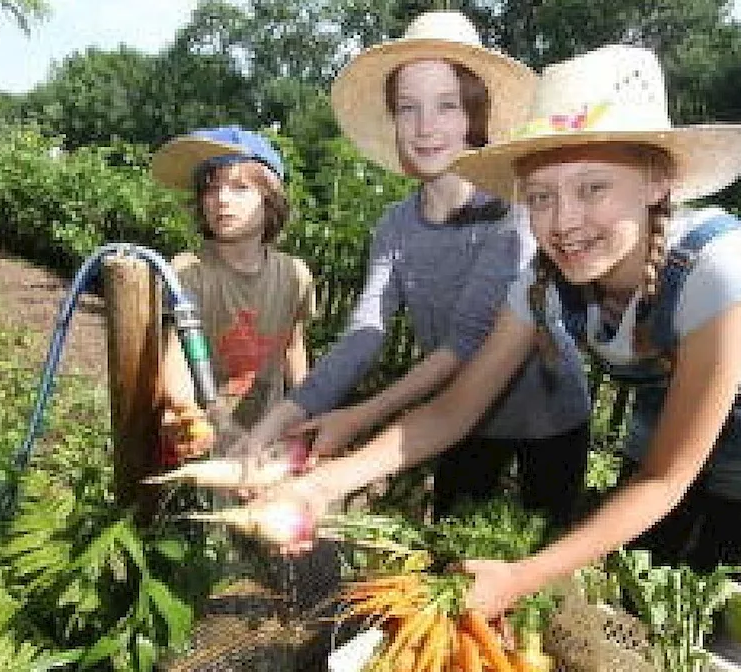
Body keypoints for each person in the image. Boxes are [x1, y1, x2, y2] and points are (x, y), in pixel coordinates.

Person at [259, 45, 741, 668]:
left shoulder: (720, 270)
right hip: (666, 400)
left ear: (657, 182)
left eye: (593, 188)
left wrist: (521, 577)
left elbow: (665, 478)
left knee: (727, 635)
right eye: (539, 197)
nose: (564, 221)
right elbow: (455, 409)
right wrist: (326, 483)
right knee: (636, 598)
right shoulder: (541, 278)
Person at [240, 11, 593, 529]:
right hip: (458, 418)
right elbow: (366, 331)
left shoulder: (515, 217)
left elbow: (464, 345)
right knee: (450, 548)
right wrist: (289, 411)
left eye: (446, 106)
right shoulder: (395, 226)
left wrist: (364, 414)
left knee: (543, 556)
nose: (426, 126)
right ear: (394, 123)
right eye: (409, 109)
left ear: (475, 115)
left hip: (550, 417)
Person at [149, 126, 316, 462]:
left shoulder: (295, 276)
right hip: (201, 443)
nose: (221, 200)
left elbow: (293, 348)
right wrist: (186, 411)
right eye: (211, 189)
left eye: (239, 188)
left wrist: (305, 417)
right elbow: (175, 358)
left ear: (270, 201)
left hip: (269, 436)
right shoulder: (187, 272)